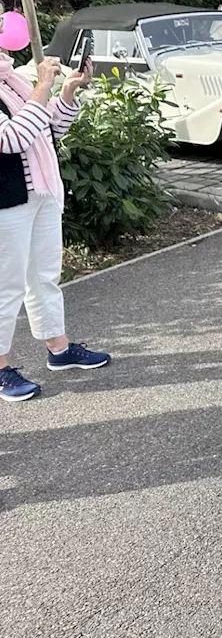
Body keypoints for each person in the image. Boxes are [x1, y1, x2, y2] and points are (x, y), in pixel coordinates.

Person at [0, 47, 108, 402]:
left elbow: (47, 131)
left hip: (41, 192)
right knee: (6, 286)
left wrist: (67, 91)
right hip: (6, 201)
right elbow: (11, 140)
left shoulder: (12, 80)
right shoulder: (23, 85)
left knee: (44, 275)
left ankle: (58, 348)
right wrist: (42, 88)